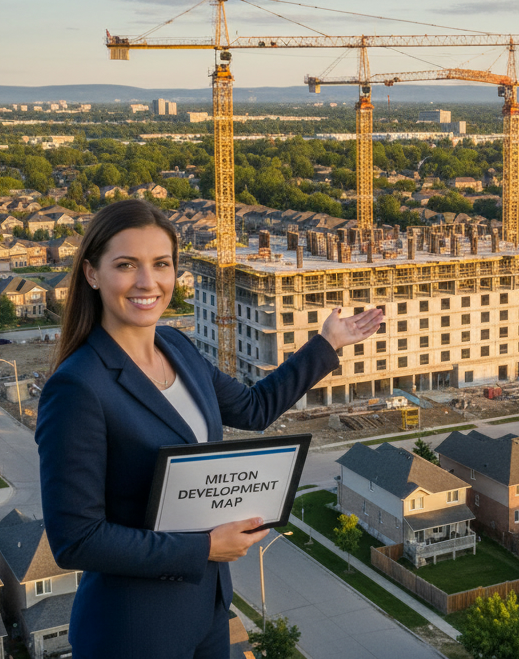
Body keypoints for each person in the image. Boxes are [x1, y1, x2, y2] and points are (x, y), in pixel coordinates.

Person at [36, 200, 381, 659]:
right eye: (126, 265)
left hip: (207, 611)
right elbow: (76, 540)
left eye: (161, 264)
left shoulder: (176, 347)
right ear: (92, 274)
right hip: (133, 631)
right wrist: (203, 548)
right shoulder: (78, 387)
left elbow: (255, 409)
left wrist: (327, 344)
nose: (147, 282)